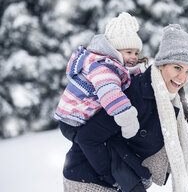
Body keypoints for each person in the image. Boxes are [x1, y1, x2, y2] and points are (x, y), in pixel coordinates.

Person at [61, 24, 188, 192]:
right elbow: (87, 137)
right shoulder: (135, 94)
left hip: (120, 180)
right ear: (161, 64)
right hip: (90, 180)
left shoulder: (168, 99)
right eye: (177, 67)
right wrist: (113, 180)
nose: (182, 77)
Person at [55, 12, 148, 187]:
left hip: (77, 115)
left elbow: (122, 80)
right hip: (72, 121)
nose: (134, 56)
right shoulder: (103, 67)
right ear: (114, 50)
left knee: (100, 139)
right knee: (92, 142)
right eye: (129, 52)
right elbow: (110, 93)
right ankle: (109, 177)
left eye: (136, 52)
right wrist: (128, 119)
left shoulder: (107, 63)